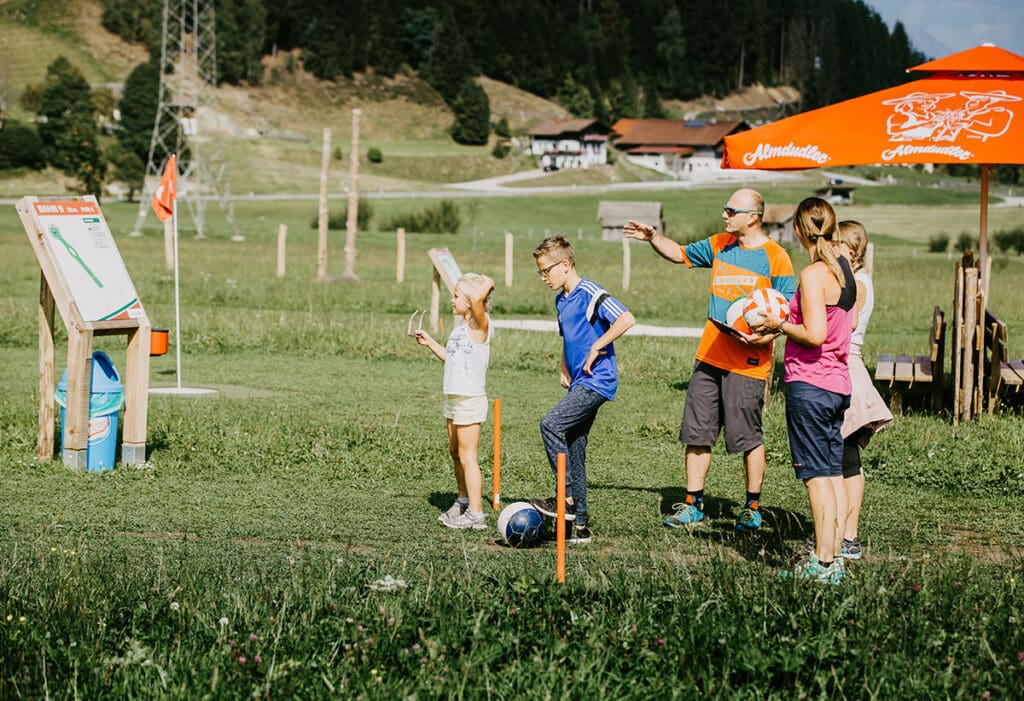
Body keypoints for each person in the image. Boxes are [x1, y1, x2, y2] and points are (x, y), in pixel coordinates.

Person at [623, 189, 796, 532]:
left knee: (748, 438)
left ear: (753, 217)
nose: (725, 215)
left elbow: (787, 313)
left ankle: (751, 507)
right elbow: (680, 254)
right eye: (725, 209)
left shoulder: (777, 257)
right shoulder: (720, 244)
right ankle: (692, 504)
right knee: (697, 433)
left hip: (747, 363)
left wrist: (764, 336)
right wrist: (653, 237)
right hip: (709, 357)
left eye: (731, 210)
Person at [752, 197, 855, 584]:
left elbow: (815, 334)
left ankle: (822, 561)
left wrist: (778, 323)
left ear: (798, 230)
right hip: (837, 384)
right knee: (831, 474)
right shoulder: (844, 268)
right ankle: (833, 556)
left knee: (815, 477)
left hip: (811, 384)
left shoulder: (814, 274)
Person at [529, 236, 635, 545]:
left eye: (546, 270)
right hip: (578, 381)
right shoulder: (561, 300)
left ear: (565, 265)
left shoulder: (591, 292)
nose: (544, 277)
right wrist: (564, 366)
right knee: (574, 445)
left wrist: (597, 346)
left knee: (551, 425)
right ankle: (581, 527)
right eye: (540, 272)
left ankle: (567, 500)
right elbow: (568, 337)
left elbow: (626, 318)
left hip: (597, 381)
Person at [414, 273, 495, 530]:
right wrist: (429, 343)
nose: (452, 299)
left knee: (468, 456)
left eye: (457, 296)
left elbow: (483, 291)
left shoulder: (480, 325)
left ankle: (476, 514)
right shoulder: (460, 329)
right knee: (455, 453)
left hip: (470, 398)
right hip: (453, 396)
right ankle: (462, 501)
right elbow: (451, 357)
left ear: (471, 301)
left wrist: (485, 282)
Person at [834, 220, 893, 561]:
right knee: (845, 456)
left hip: (847, 366)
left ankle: (848, 535)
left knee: (846, 459)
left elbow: (846, 326)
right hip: (850, 365)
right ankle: (844, 534)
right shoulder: (859, 279)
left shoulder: (855, 282)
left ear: (850, 248)